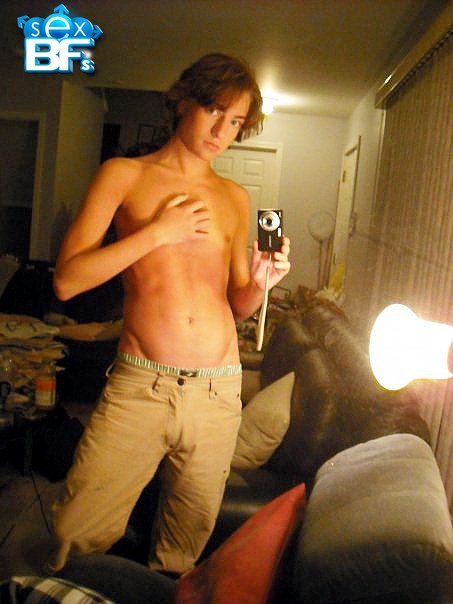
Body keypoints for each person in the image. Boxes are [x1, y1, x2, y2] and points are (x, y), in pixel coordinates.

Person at [48, 53, 290, 576]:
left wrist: (260, 283)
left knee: (183, 546)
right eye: (214, 111)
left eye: (236, 122)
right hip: (142, 387)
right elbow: (67, 280)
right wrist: (157, 233)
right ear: (183, 102)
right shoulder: (124, 174)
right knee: (75, 531)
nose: (222, 132)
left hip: (217, 393)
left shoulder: (234, 197)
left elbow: (237, 304)